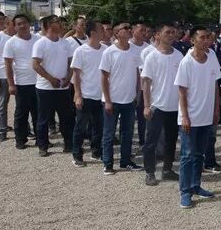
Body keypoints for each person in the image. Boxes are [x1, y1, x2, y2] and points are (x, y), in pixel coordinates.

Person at [174, 26, 221, 208]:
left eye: (207, 37)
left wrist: (216, 110)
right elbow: (182, 91)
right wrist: (185, 116)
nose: (205, 40)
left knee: (199, 154)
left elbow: (216, 86)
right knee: (187, 155)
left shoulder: (212, 58)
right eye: (201, 37)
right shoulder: (187, 62)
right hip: (190, 117)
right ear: (192, 40)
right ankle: (185, 191)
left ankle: (195, 185)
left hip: (206, 116)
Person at [141, 22, 183, 185]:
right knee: (151, 141)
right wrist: (146, 105)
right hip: (157, 106)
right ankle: (150, 172)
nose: (171, 35)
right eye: (167, 32)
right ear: (157, 35)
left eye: (173, 32)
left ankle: (167, 169)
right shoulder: (152, 56)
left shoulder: (179, 55)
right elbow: (146, 82)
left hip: (174, 106)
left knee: (171, 140)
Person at [100, 22, 143, 174]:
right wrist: (108, 100)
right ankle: (108, 163)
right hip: (112, 100)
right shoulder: (109, 52)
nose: (129, 30)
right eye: (126, 28)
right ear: (117, 33)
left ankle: (125, 161)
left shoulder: (134, 51)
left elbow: (137, 73)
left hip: (129, 100)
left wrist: (137, 92)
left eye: (130, 28)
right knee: (109, 134)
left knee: (128, 133)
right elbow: (104, 77)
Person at [31, 15, 75, 157]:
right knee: (43, 118)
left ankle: (68, 143)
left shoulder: (65, 43)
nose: (60, 24)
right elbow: (36, 65)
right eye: (56, 22)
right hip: (45, 88)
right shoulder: (41, 43)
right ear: (48, 26)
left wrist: (68, 77)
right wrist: (50, 79)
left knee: (66, 117)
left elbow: (71, 62)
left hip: (63, 87)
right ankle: (43, 146)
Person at [70, 20, 107, 166]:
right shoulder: (81, 51)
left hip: (101, 96)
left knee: (98, 126)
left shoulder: (105, 49)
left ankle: (96, 151)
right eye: (101, 29)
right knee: (80, 126)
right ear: (93, 33)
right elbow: (76, 75)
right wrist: (78, 95)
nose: (104, 32)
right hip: (85, 95)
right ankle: (77, 154)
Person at [4, 14, 40, 149]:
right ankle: (20, 139)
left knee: (39, 113)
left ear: (29, 23)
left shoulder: (38, 39)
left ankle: (41, 139)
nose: (22, 26)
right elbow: (8, 65)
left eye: (24, 23)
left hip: (38, 82)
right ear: (15, 26)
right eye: (19, 24)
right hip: (21, 83)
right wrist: (11, 84)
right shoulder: (11, 42)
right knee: (21, 113)